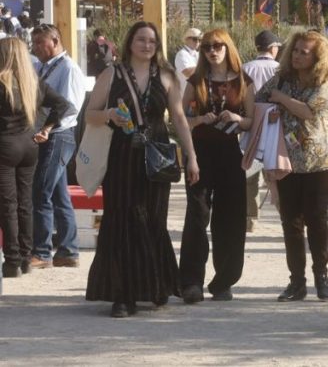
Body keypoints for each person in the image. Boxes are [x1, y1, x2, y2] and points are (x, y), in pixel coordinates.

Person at [83, 22, 200, 317]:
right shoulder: (112, 74)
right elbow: (90, 115)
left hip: (156, 155)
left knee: (153, 219)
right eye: (141, 39)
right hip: (122, 155)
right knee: (123, 219)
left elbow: (179, 118)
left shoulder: (167, 76)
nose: (147, 45)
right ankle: (123, 295)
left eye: (152, 41)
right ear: (130, 42)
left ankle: (153, 285)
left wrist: (192, 156)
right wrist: (109, 114)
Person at [256, 30, 328, 302]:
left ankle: (322, 275)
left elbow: (309, 111)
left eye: (304, 52)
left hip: (320, 161)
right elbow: (259, 98)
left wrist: (280, 99)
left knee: (317, 219)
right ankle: (296, 281)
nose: (296, 56)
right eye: (295, 50)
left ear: (317, 57)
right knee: (290, 222)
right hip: (287, 160)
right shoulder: (282, 77)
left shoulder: (325, 80)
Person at [179, 29, 255, 304]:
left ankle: (224, 281)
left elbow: (251, 121)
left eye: (217, 46)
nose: (212, 51)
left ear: (228, 47)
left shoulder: (244, 81)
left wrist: (236, 118)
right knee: (197, 215)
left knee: (230, 218)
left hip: (230, 152)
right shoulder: (196, 80)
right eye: (206, 47)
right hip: (199, 151)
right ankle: (191, 282)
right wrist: (200, 120)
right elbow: (180, 119)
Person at [0, 38, 70, 278]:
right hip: (30, 145)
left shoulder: (2, 83)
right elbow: (63, 105)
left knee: (7, 204)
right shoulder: (33, 83)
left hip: (5, 145)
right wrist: (46, 128)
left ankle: (11, 260)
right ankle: (25, 257)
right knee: (25, 202)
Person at [28, 25, 87, 269]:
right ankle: (68, 250)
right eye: (33, 43)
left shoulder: (68, 69)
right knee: (58, 194)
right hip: (46, 135)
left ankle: (42, 252)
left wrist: (47, 128)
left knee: (41, 191)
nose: (35, 48)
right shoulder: (42, 67)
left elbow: (70, 107)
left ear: (54, 41)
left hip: (58, 136)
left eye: (39, 43)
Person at [242, 30, 282, 231]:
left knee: (250, 170)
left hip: (252, 125)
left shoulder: (245, 68)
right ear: (273, 48)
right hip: (276, 126)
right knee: (277, 171)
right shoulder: (280, 69)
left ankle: (250, 217)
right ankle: (286, 214)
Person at [174, 27, 202, 95]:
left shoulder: (198, 54)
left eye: (200, 40)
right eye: (195, 39)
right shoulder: (181, 54)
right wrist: (204, 65)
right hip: (184, 96)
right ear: (187, 39)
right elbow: (188, 73)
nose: (197, 42)